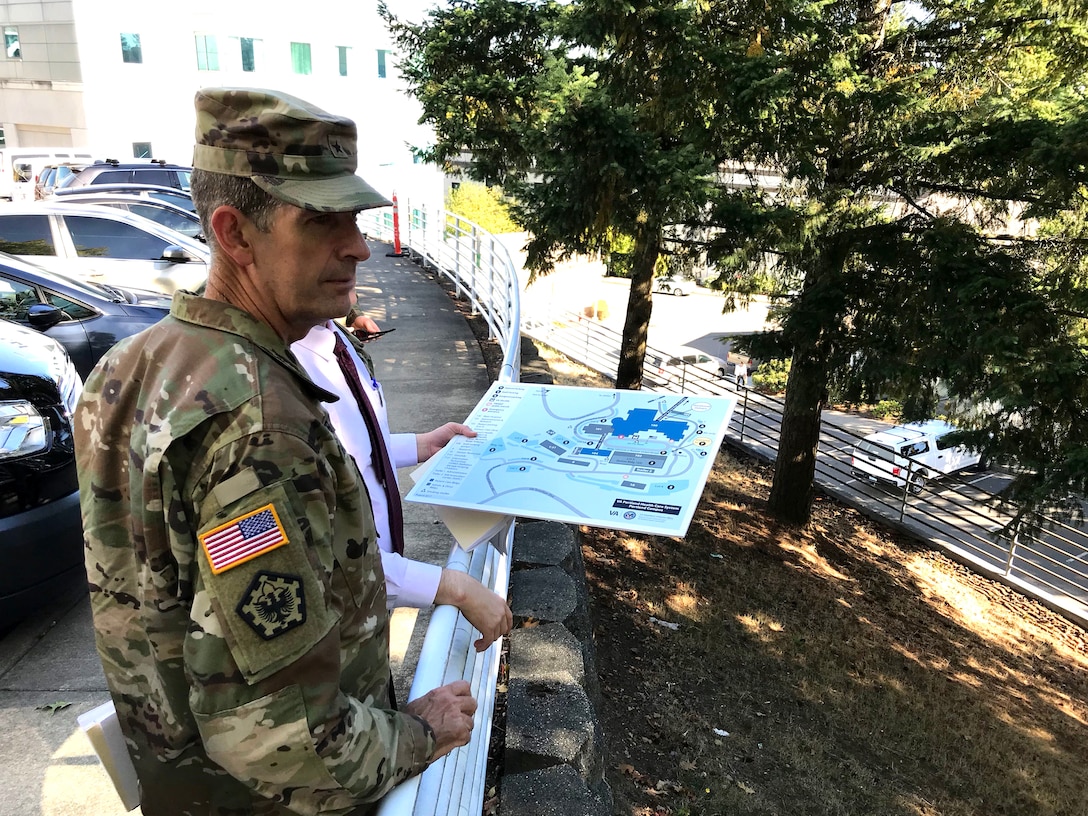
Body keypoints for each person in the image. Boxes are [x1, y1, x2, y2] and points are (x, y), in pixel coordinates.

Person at [74, 87, 477, 815]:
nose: (356, 245)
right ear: (235, 233)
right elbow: (283, 741)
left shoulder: (130, 364)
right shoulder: (261, 422)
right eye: (322, 221)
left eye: (352, 218)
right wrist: (417, 732)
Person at [291, 316, 512, 653]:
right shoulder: (281, 374)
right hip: (333, 641)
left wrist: (420, 445)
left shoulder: (336, 338)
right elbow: (323, 559)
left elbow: (344, 452)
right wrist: (451, 586)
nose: (361, 259)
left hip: (369, 616)